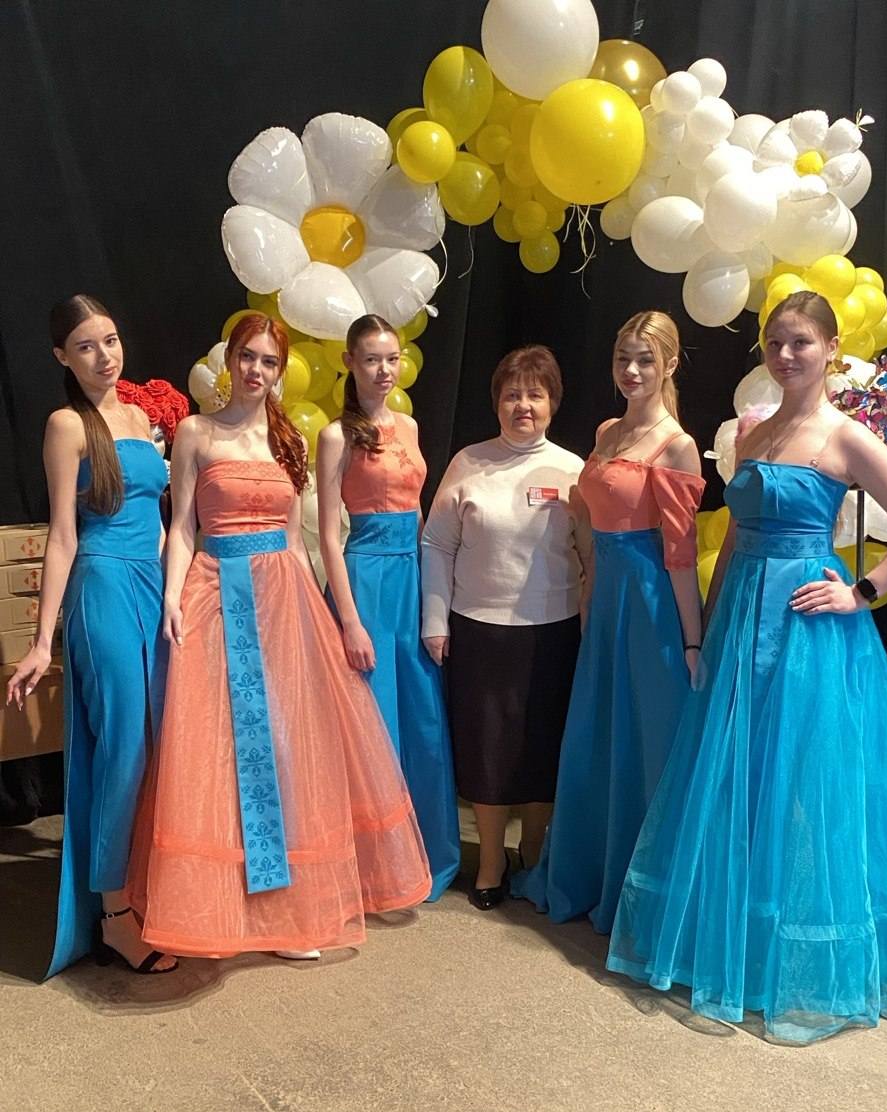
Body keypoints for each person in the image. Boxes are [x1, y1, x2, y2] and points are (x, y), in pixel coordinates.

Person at [607, 291, 887, 1043]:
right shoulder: (754, 431)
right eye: (775, 341)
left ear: (830, 349)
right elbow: (736, 533)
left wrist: (861, 592)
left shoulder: (846, 436)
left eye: (800, 342)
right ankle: (741, 934)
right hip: (741, 617)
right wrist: (709, 625)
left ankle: (795, 955)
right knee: (740, 774)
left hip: (808, 627)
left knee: (805, 779)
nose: (785, 354)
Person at [126, 313, 431, 958]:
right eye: (248, 357)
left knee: (290, 748)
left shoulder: (289, 436)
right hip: (215, 593)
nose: (256, 371)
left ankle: (289, 909)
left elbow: (295, 538)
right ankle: (220, 908)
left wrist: (314, 613)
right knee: (218, 749)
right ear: (229, 360)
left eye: (268, 361)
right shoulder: (196, 432)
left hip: (281, 598)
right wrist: (173, 597)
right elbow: (181, 527)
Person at [512, 312, 704, 932]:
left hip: (649, 604)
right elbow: (591, 521)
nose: (632, 370)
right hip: (605, 601)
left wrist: (692, 640)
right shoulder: (606, 430)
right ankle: (592, 871)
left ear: (669, 364)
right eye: (623, 358)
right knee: (600, 737)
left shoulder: (676, 445)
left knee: (648, 743)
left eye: (645, 359)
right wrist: (588, 592)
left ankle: (649, 896)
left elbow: (680, 555)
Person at [6, 294, 175, 977]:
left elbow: (160, 521)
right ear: (61, 357)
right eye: (85, 346)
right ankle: (113, 917)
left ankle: (142, 888)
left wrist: (181, 594)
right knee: (124, 749)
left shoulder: (140, 415)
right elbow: (62, 537)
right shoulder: (66, 425)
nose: (104, 356)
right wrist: (42, 641)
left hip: (153, 589)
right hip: (102, 588)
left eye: (109, 340)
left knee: (160, 745)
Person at [421, 345, 589, 910]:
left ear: (553, 403)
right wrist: (435, 621)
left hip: (553, 632)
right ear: (496, 403)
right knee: (486, 753)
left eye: (535, 395)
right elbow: (436, 544)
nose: (523, 406)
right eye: (512, 394)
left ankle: (534, 853)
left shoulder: (573, 470)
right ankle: (491, 861)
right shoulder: (468, 462)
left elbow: (591, 555)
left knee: (542, 750)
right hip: (479, 632)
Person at [317, 314, 460, 900]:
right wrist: (350, 620)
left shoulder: (409, 425)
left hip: (411, 577)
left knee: (421, 716)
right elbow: (330, 536)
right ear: (350, 363)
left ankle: (422, 854)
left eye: (392, 358)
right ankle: (370, 867)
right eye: (372, 359)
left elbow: (420, 511)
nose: (384, 370)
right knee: (371, 720)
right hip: (366, 579)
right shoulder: (336, 435)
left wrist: (435, 594)